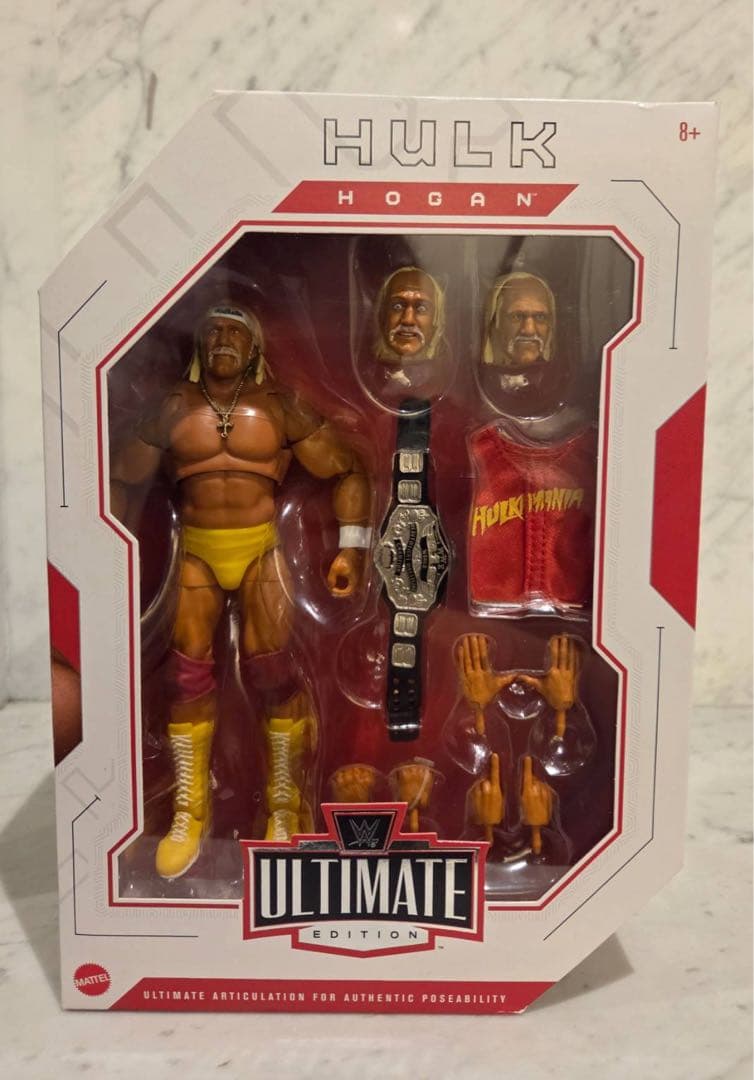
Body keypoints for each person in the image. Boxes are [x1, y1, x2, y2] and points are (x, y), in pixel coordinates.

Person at [111, 300, 371, 879]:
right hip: (197, 551)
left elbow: (347, 468)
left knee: (272, 670)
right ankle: (189, 812)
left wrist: (351, 549)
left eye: (235, 331)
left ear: (253, 347)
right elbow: (120, 478)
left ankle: (283, 804)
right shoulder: (173, 406)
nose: (223, 339)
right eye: (213, 330)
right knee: (185, 675)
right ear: (199, 343)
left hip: (258, 549)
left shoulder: (279, 405)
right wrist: (109, 556)